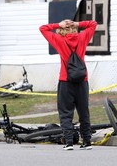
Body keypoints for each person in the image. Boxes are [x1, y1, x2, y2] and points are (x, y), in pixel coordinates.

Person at [39, 19, 97, 150]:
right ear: (74, 28)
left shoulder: (59, 40)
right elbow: (93, 24)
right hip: (82, 81)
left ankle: (69, 142)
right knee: (84, 112)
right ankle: (87, 141)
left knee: (65, 112)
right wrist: (78, 24)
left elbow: (43, 28)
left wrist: (57, 24)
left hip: (65, 81)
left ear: (62, 29)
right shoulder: (82, 38)